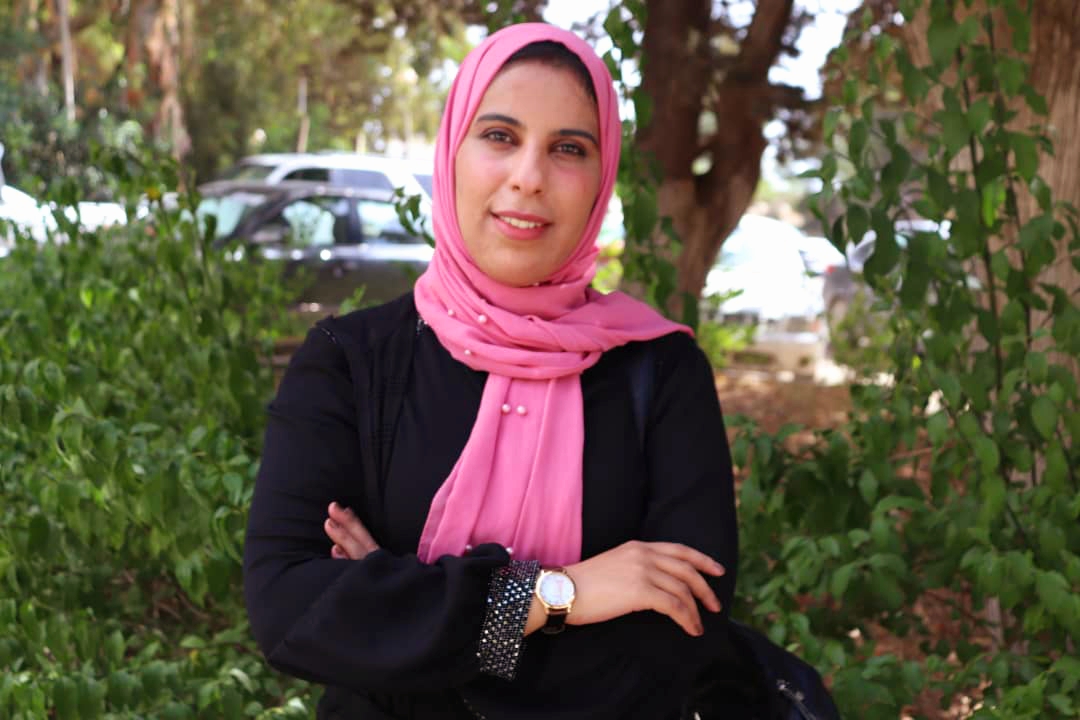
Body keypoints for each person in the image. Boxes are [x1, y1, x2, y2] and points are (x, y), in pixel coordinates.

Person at [243, 23, 738, 720]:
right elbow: (289, 610)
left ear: (602, 180)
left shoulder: (661, 372)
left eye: (569, 148)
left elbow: (679, 641)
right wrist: (558, 596)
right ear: (452, 151)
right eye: (500, 136)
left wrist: (397, 609)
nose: (529, 176)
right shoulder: (351, 362)